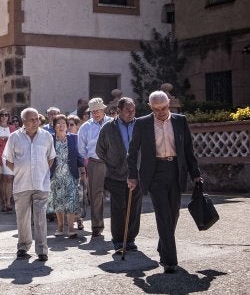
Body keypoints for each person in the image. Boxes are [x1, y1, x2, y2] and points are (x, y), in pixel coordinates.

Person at [127, 91, 202, 274]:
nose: (160, 112)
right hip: (154, 174)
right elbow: (133, 151)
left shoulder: (180, 121)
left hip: (176, 171)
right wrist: (132, 175)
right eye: (156, 109)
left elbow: (187, 150)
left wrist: (195, 174)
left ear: (169, 104)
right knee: (163, 215)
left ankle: (163, 246)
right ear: (150, 107)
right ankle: (169, 260)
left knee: (174, 214)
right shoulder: (142, 123)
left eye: (164, 108)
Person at [3, 107, 56, 262]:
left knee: (40, 217)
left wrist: (43, 171)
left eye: (37, 119)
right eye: (31, 119)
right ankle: (23, 246)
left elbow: (51, 157)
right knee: (23, 217)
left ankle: (42, 250)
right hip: (22, 183)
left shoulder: (46, 136)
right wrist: (20, 170)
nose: (35, 122)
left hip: (41, 182)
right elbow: (8, 160)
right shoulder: (14, 137)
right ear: (23, 122)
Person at [96, 97, 142, 252]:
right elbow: (99, 150)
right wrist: (112, 165)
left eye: (133, 109)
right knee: (118, 208)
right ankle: (118, 240)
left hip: (136, 174)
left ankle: (130, 239)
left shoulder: (140, 125)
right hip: (116, 176)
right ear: (119, 111)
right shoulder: (109, 127)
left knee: (134, 207)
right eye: (127, 110)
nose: (131, 113)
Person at [78, 97, 113, 237]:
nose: (96, 113)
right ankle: (97, 226)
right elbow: (81, 149)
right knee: (95, 195)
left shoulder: (113, 123)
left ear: (103, 109)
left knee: (117, 194)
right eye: (93, 111)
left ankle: (119, 227)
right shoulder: (85, 127)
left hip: (113, 163)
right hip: (95, 162)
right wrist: (91, 158)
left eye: (98, 110)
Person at [48, 114, 85, 238]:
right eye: (58, 123)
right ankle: (59, 227)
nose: (62, 126)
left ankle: (71, 228)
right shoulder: (50, 139)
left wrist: (83, 172)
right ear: (54, 126)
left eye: (64, 123)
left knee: (71, 202)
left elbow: (79, 156)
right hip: (55, 176)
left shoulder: (73, 138)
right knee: (58, 202)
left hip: (70, 175)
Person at [0, 109, 15, 212]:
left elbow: (13, 141)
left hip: (9, 157)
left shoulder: (12, 128)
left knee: (8, 178)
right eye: (2, 115)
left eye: (6, 115)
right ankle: (3, 202)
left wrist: (3, 139)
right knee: (0, 180)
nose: (4, 117)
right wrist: (5, 139)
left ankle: (8, 202)